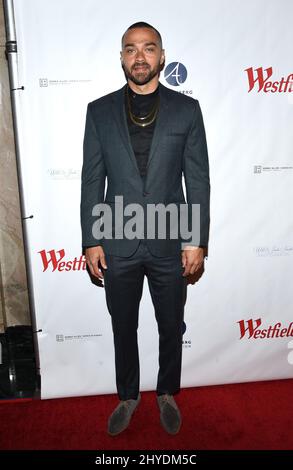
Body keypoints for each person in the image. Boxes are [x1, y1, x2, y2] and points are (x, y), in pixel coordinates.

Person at [81, 21, 210, 436]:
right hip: (117, 241)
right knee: (124, 325)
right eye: (131, 49)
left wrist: (195, 240)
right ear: (122, 58)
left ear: (161, 57)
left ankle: (167, 391)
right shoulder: (98, 111)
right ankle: (128, 395)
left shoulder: (186, 110)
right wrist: (92, 239)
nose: (140, 56)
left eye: (148, 48)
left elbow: (198, 180)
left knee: (171, 323)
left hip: (171, 241)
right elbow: (92, 180)